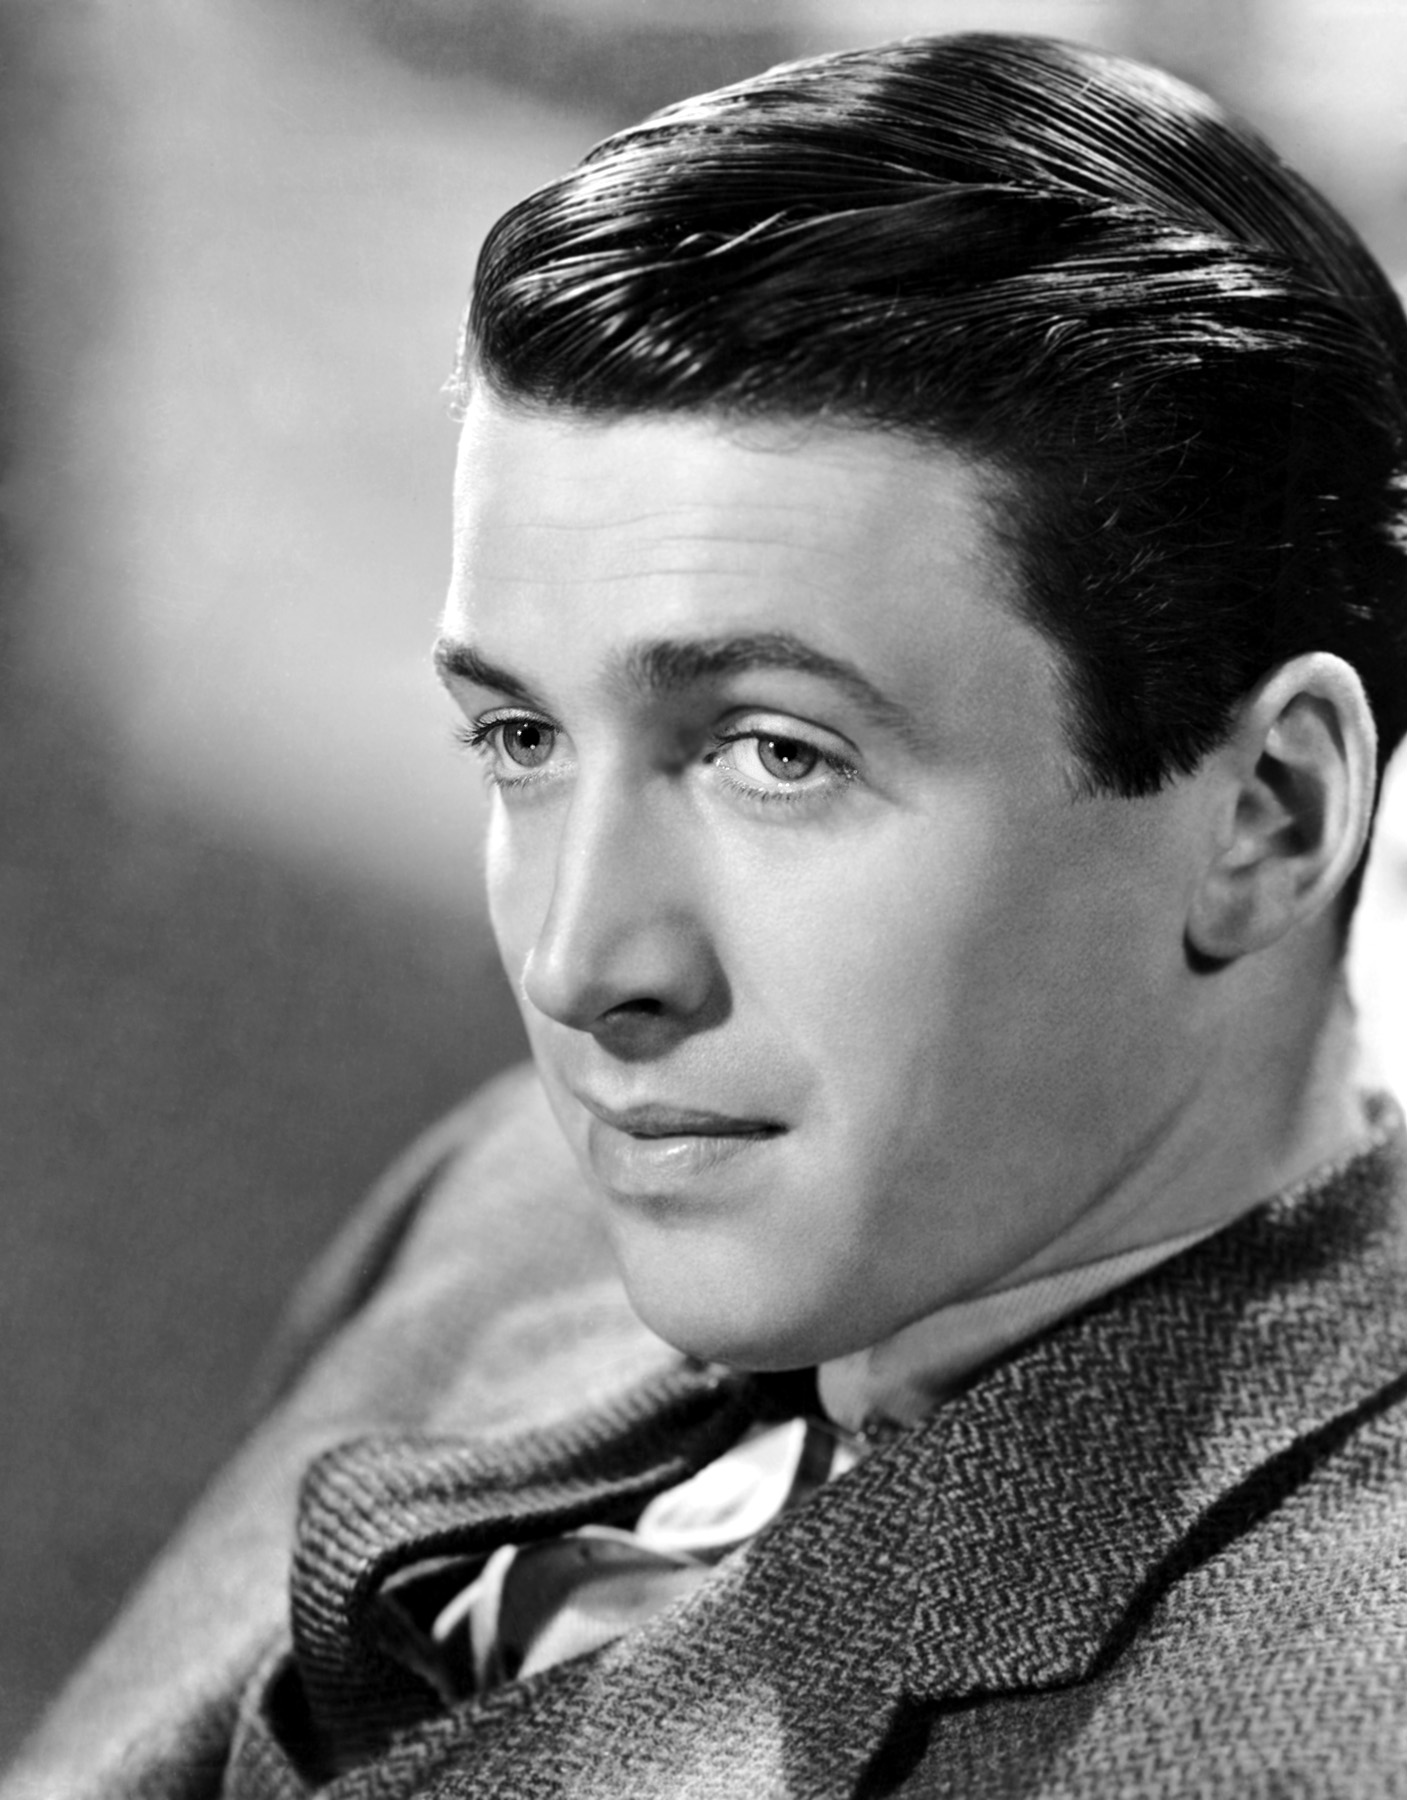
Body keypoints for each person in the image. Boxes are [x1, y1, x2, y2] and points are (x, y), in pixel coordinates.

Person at [8, 30, 1407, 1800]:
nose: (580, 965)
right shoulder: (511, 1210)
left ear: (1269, 814)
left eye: (774, 755)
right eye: (522, 738)